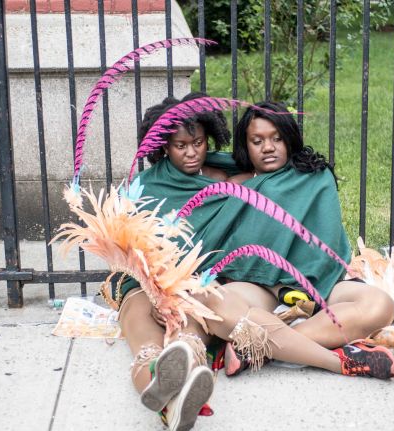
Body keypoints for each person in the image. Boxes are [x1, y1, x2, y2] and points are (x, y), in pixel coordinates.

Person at [189, 101, 394, 379]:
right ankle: (296, 348)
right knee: (207, 299)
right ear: (245, 146)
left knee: (381, 305)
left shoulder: (314, 177)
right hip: (260, 288)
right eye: (257, 140)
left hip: (318, 288)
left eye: (277, 138)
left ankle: (259, 345)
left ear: (289, 139)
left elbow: (327, 242)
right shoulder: (236, 185)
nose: (268, 147)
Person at [113, 92, 233, 431]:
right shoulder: (143, 186)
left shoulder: (222, 180)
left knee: (189, 339)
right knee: (148, 349)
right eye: (181, 146)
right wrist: (155, 290)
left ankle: (174, 405)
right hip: (143, 284)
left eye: (198, 142)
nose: (192, 152)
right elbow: (125, 245)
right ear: (164, 147)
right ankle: (166, 395)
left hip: (197, 284)